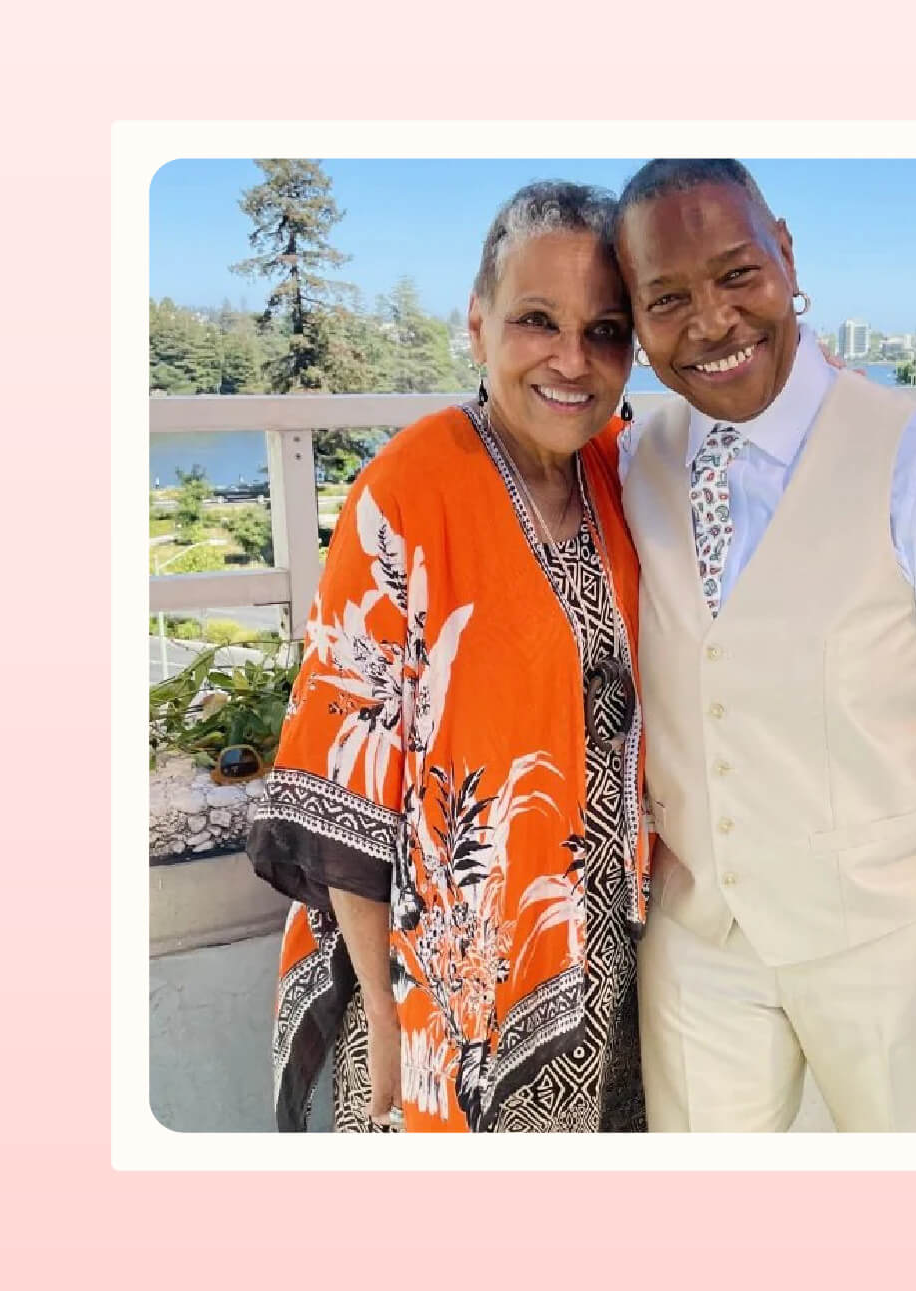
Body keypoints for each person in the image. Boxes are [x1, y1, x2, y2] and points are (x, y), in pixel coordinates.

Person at [612, 159, 916, 1132]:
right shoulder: (631, 459)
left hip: (890, 943)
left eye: (737, 274)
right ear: (634, 318)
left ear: (784, 254)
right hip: (698, 943)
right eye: (666, 297)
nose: (710, 322)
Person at [246, 181, 650, 1133]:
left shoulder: (620, 468)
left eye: (604, 330)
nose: (570, 358)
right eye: (536, 320)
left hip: (602, 960)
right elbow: (345, 760)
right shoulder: (410, 486)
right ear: (477, 323)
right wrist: (383, 1008)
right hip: (444, 989)